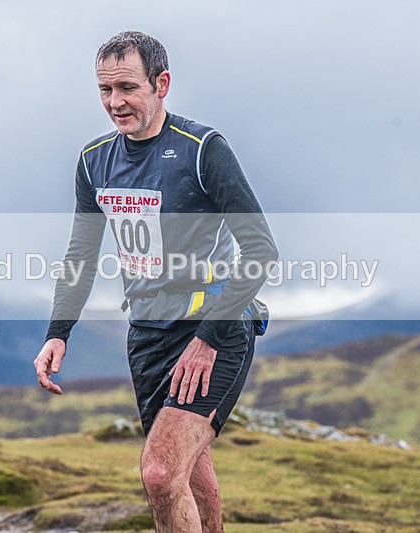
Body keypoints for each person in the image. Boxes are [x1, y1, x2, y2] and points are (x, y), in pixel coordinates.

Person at [33, 31, 278, 532]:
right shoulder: (93, 160)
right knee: (189, 476)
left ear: (161, 83)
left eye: (127, 87)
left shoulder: (202, 149)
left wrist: (208, 340)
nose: (115, 102)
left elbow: (261, 250)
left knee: (160, 473)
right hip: (146, 333)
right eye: (104, 90)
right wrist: (58, 332)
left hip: (215, 326)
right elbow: (81, 254)